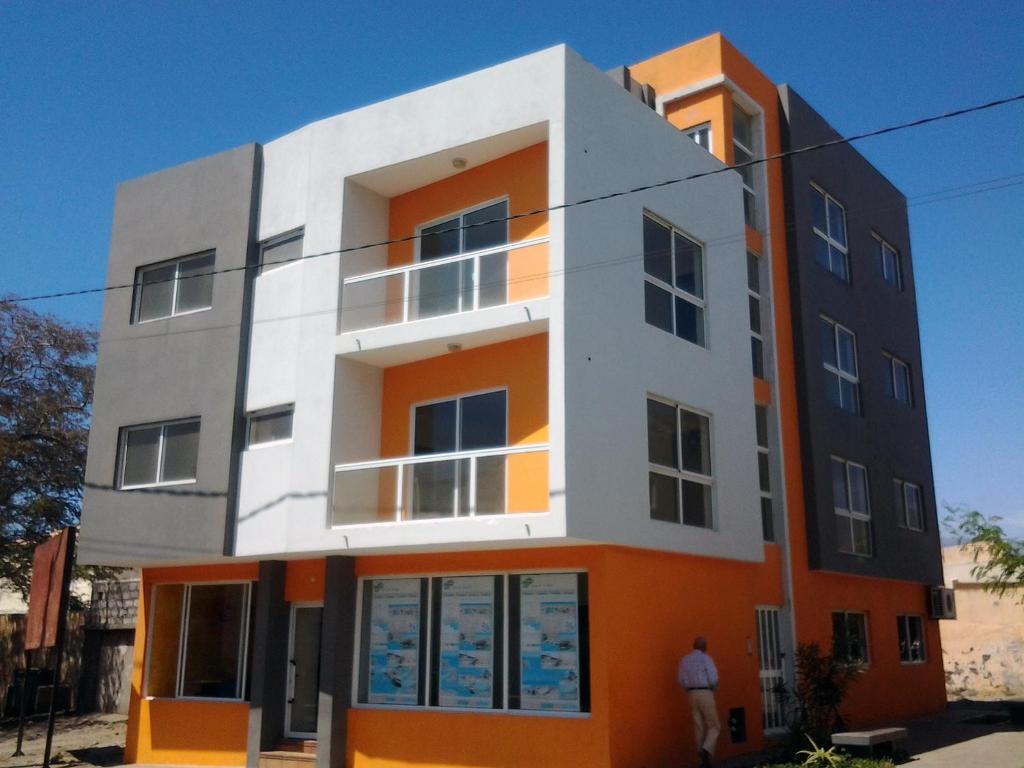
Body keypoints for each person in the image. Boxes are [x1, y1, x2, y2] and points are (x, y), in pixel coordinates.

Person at [678, 636, 720, 768]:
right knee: (714, 725)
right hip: (705, 692)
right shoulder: (706, 659)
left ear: (694, 646)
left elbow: (680, 679)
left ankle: (702, 759)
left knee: (698, 725)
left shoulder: (685, 660)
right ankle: (706, 749)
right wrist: (713, 687)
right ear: (704, 647)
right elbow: (713, 678)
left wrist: (688, 688)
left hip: (691, 693)